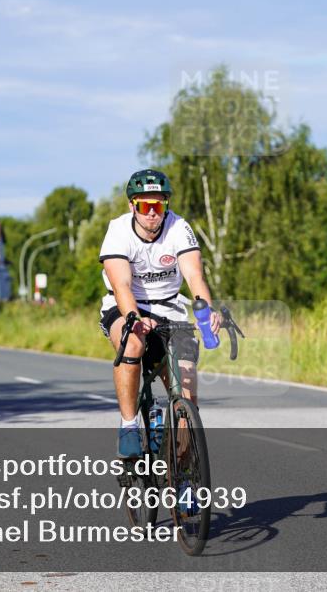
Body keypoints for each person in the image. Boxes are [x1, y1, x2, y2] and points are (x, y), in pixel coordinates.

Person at [98, 169, 221, 458]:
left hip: (169, 307)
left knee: (187, 393)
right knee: (133, 342)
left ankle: (185, 477)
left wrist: (208, 311)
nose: (153, 213)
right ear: (132, 206)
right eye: (145, 206)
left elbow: (194, 277)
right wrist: (135, 318)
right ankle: (129, 425)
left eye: (159, 206)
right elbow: (121, 284)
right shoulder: (118, 230)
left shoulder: (179, 228)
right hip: (126, 305)